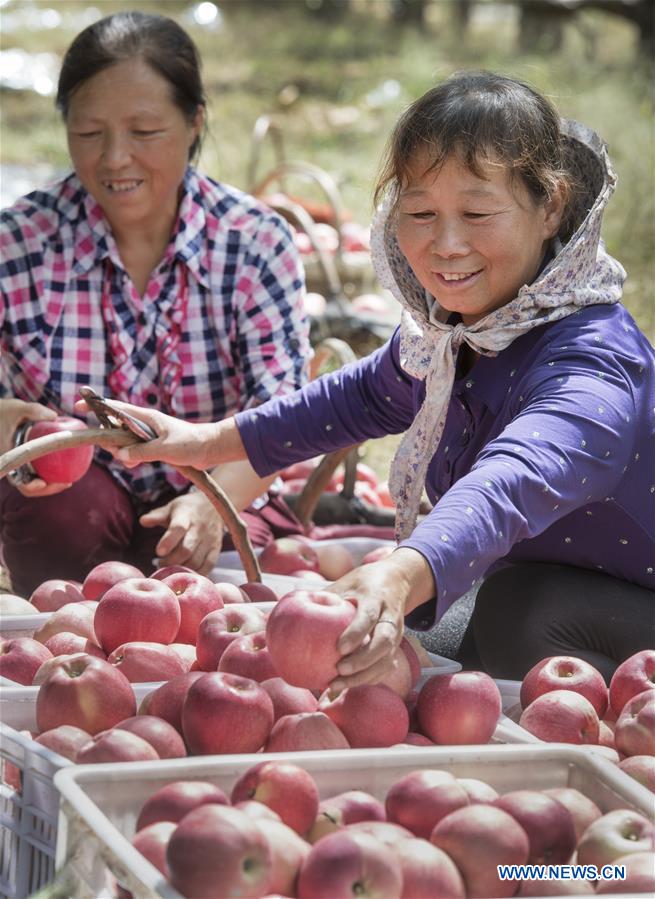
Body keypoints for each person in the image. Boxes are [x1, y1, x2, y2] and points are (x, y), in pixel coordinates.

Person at [81, 70, 653, 686]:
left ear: (552, 207)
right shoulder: (454, 338)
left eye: (478, 212)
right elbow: (350, 401)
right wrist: (200, 441)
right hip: (547, 582)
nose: (446, 244)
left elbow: (515, 477)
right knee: (404, 641)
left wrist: (405, 570)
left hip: (614, 594)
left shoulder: (593, 363)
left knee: (520, 619)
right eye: (421, 213)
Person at [0, 11, 312, 597]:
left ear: (194, 122)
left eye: (144, 132)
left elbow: (285, 414)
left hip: (227, 489)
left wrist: (209, 503)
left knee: (226, 611)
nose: (115, 158)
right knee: (65, 515)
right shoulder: (18, 245)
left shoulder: (253, 243)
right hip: (73, 505)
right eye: (90, 133)